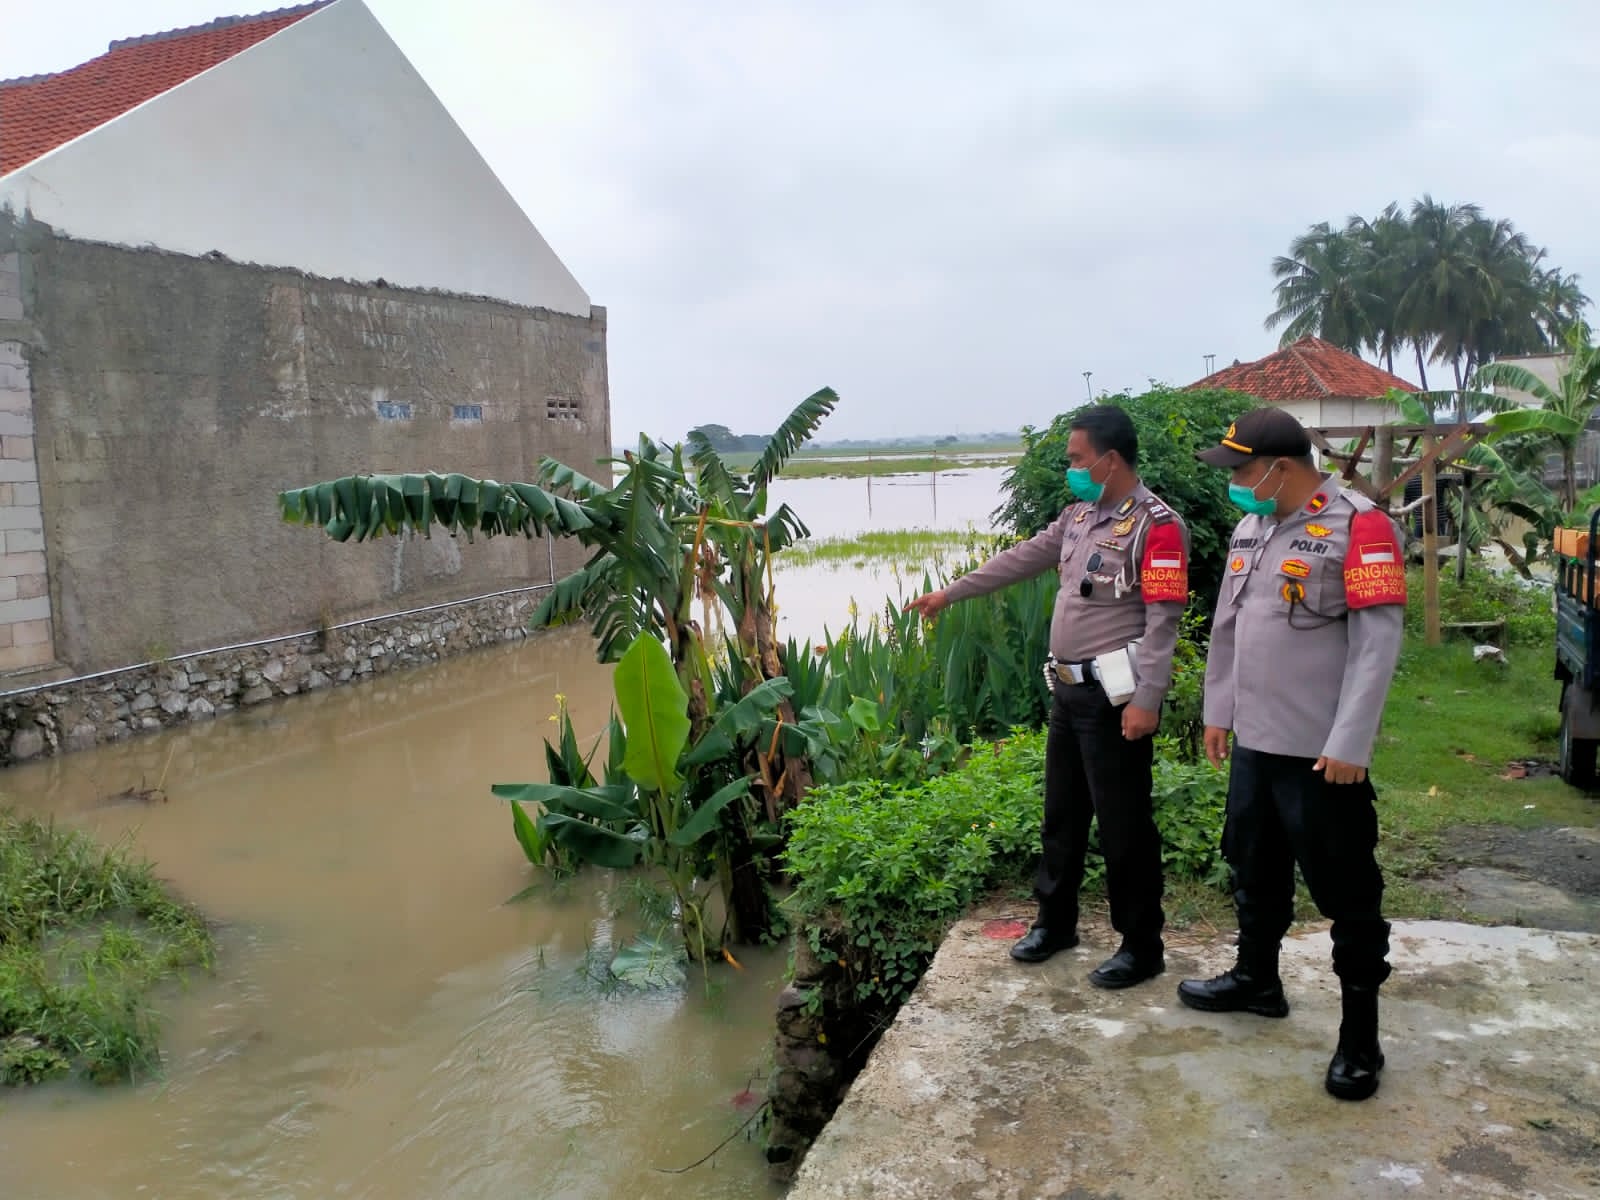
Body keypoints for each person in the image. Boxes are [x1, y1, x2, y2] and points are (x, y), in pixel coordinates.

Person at [905, 405, 1190, 989]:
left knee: (1123, 826)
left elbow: (1163, 621)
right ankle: (1055, 923)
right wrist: (950, 594)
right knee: (1061, 817)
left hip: (1116, 699)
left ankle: (1141, 945)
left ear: (1110, 461)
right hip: (1067, 693)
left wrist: (1149, 700)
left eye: (1078, 460)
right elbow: (1022, 558)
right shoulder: (1081, 515)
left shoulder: (1156, 526)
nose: (1072, 470)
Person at [1180, 406, 1405, 1102]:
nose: (1236, 484)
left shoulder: (1360, 526)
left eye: (1243, 470)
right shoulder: (1252, 527)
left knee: (1348, 894)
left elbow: (1377, 642)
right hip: (1256, 742)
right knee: (1254, 866)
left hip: (1319, 754)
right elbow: (1228, 625)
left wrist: (1350, 743)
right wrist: (1219, 713)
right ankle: (1258, 979)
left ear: (1282, 467)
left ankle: (1360, 1038)